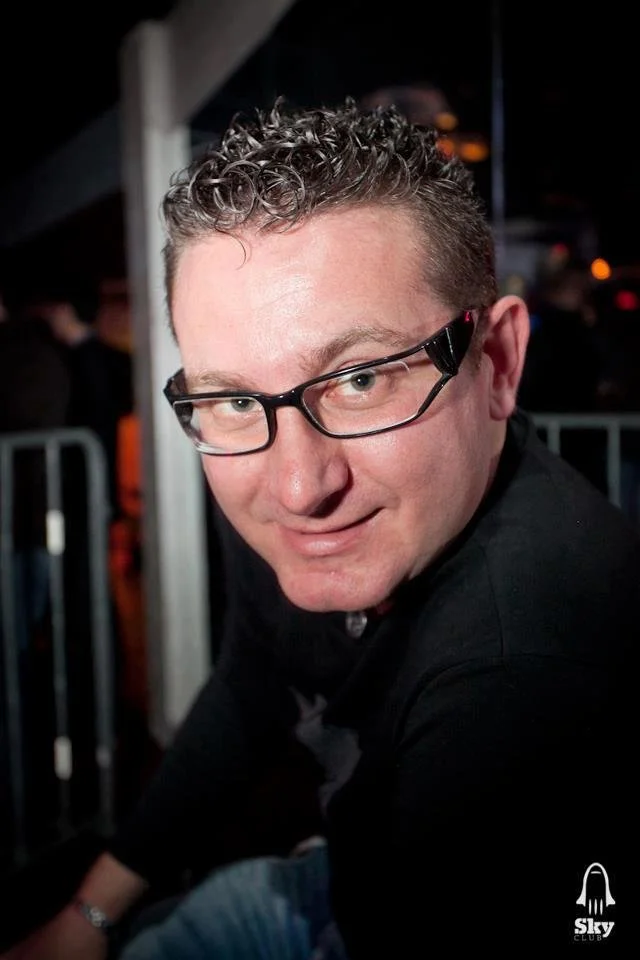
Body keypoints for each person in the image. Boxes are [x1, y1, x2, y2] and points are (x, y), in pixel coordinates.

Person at [4, 97, 639, 958]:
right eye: (231, 397)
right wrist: (87, 919)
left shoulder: (521, 668)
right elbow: (252, 679)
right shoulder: (275, 456)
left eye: (361, 381)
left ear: (496, 362)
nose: (299, 489)